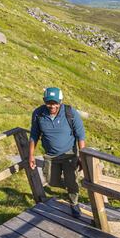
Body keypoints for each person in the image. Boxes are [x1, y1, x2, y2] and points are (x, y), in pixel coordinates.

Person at [29, 87, 86, 218]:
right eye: (49, 102)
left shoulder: (70, 112)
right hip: (50, 155)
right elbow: (34, 135)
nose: (52, 106)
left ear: (60, 101)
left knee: (71, 180)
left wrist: (82, 157)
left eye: (55, 103)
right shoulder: (38, 114)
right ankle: (71, 185)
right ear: (44, 101)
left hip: (69, 154)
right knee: (51, 180)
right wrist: (31, 155)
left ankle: (74, 203)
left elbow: (80, 135)